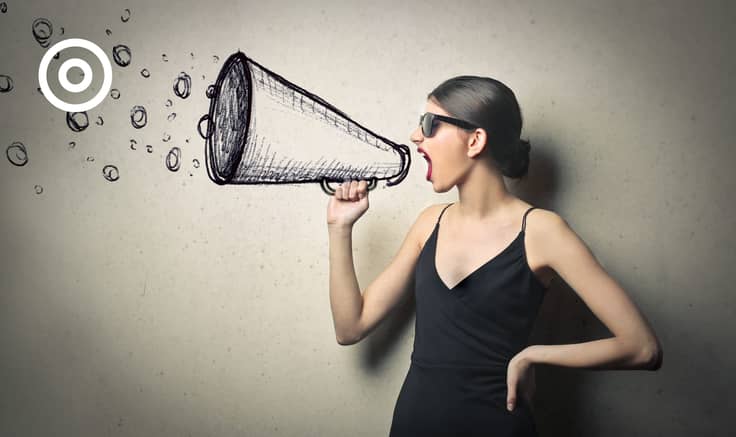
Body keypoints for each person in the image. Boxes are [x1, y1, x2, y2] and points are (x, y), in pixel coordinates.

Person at [326, 76, 663, 436]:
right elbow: (350, 327)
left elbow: (642, 347)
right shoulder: (429, 223)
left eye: (429, 124)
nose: (415, 136)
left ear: (475, 140)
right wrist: (339, 228)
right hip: (415, 422)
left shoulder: (542, 231)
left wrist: (534, 355)